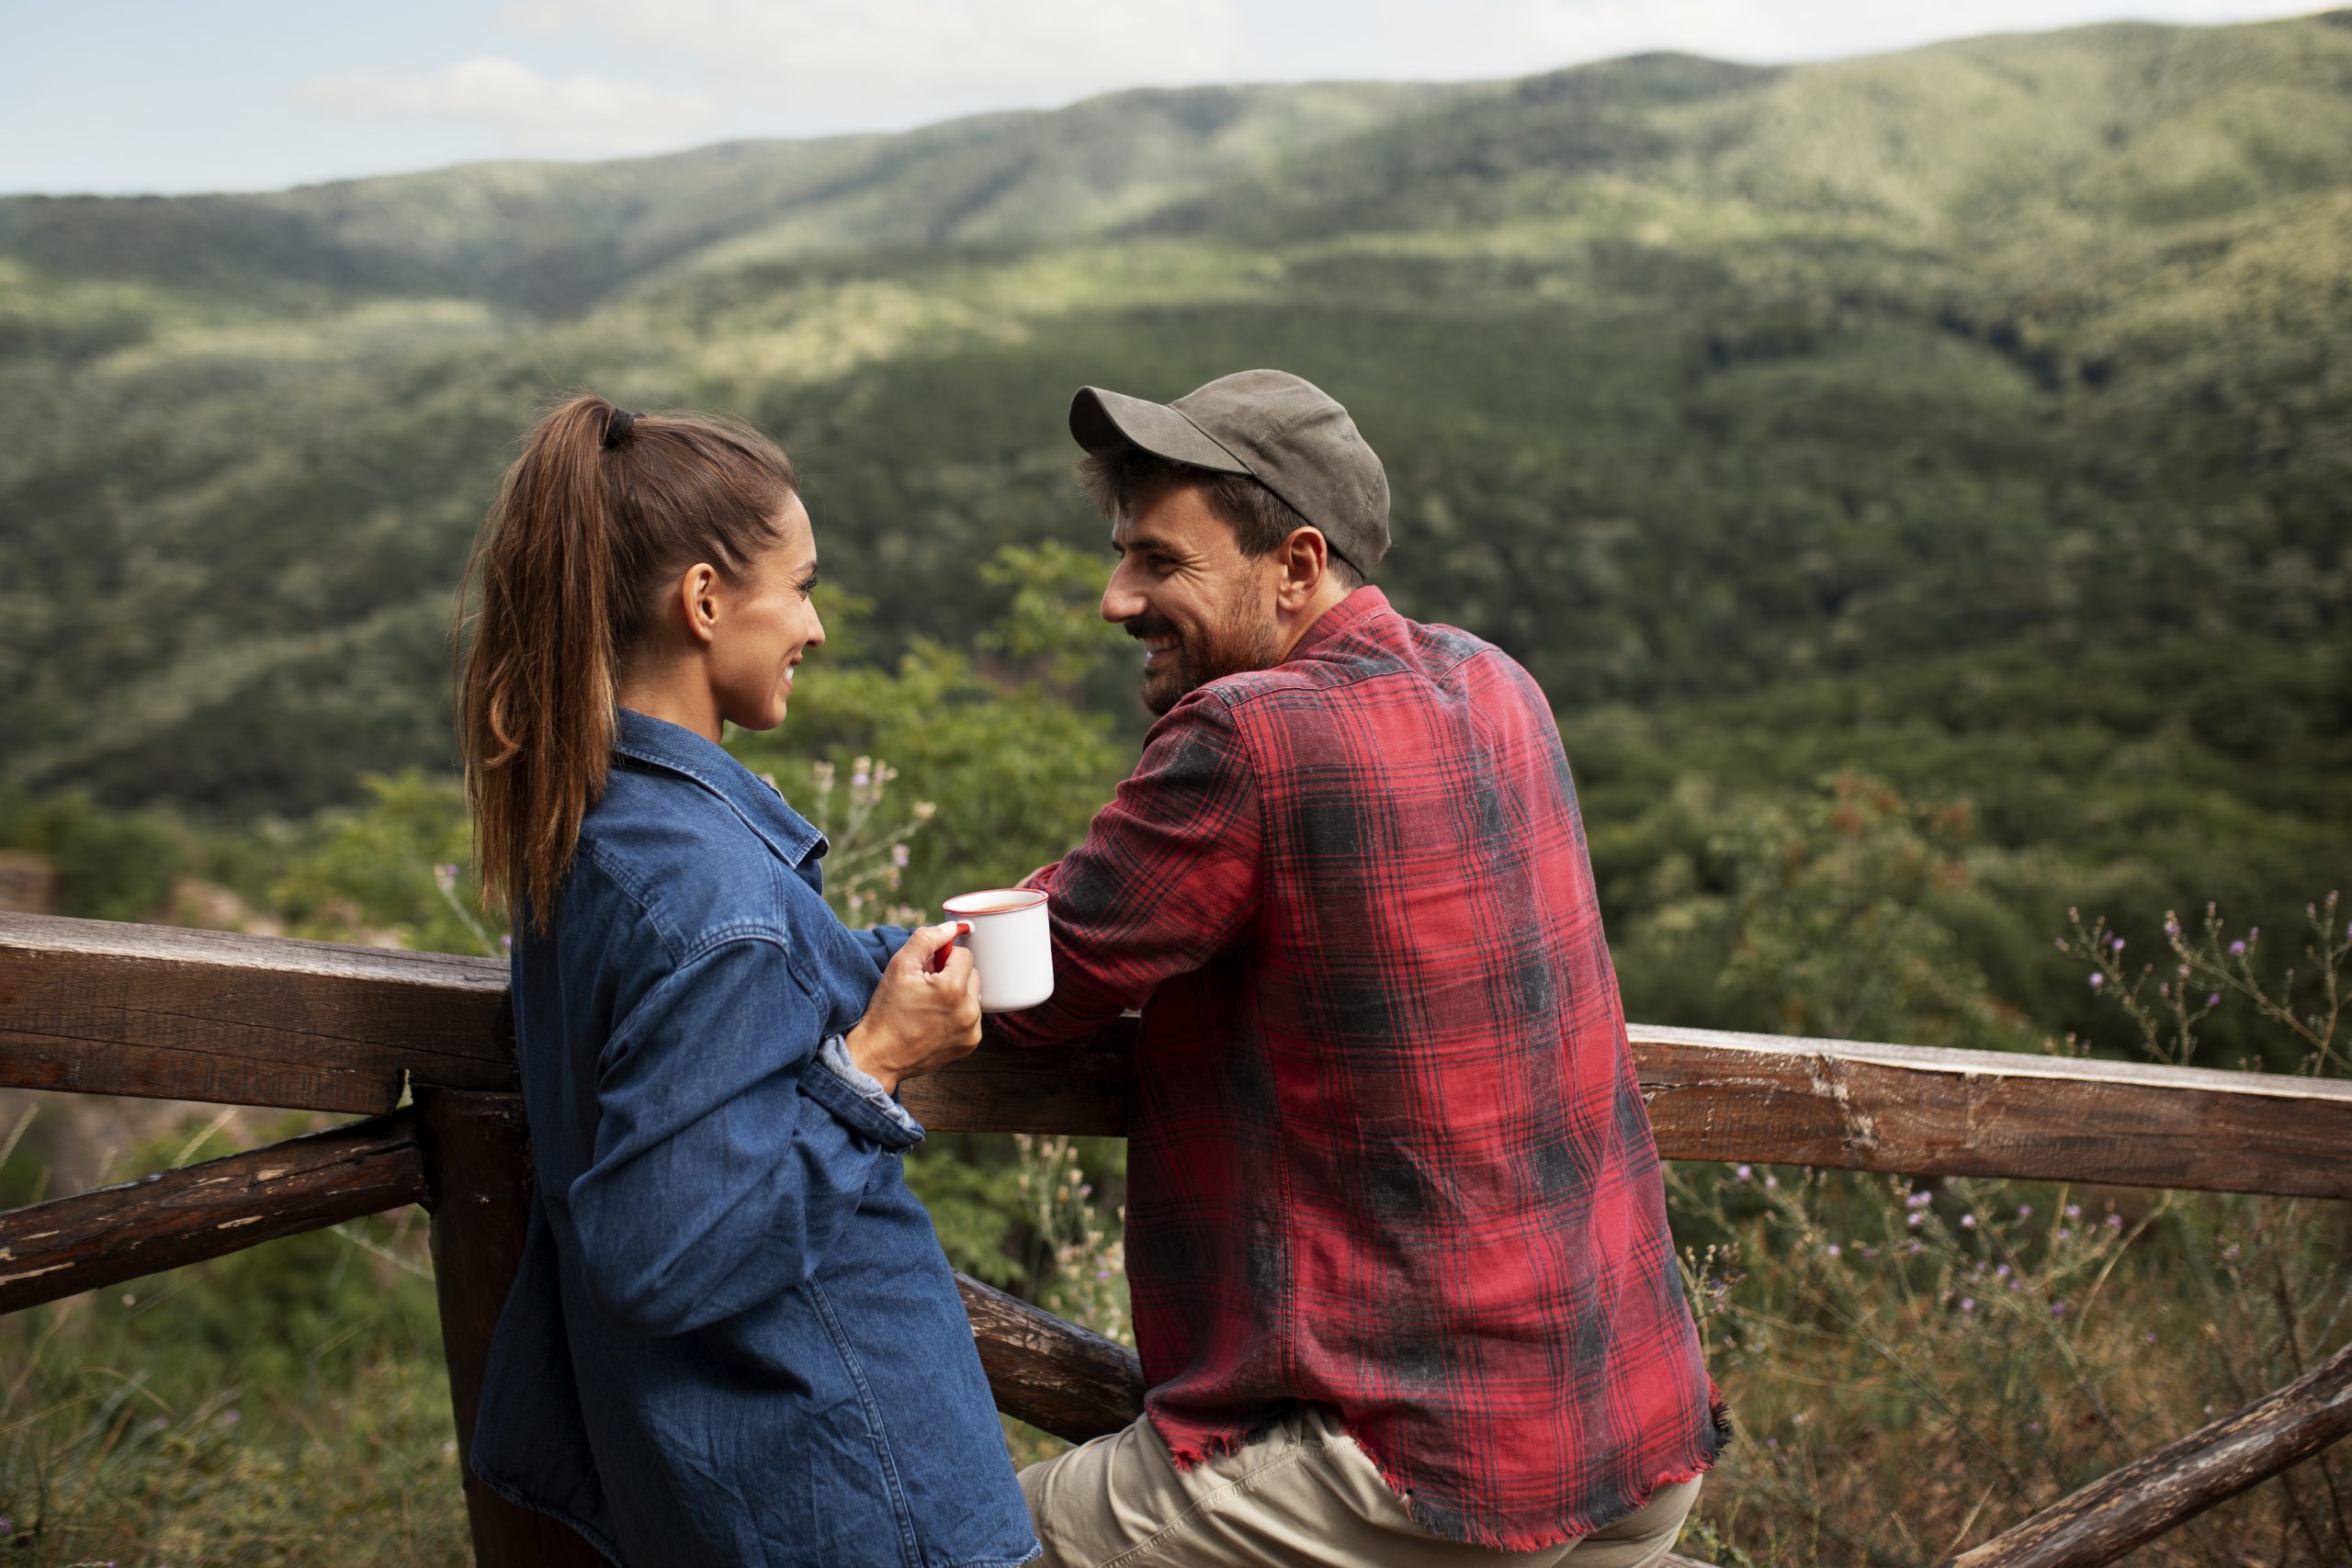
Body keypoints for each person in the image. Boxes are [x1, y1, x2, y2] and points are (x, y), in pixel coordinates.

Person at [993, 371, 1729, 1567]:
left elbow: (1032, 981)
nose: (1114, 595)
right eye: (1122, 552)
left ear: (1295, 564)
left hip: (1415, 1467)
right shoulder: (1499, 681)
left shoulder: (1248, 733)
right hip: (1633, 1432)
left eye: (1158, 562)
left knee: (937, 1537)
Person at [454, 394, 1039, 1568]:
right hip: (850, 1482)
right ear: (706, 599)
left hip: (722, 1477)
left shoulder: (596, 826)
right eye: (804, 586)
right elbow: (668, 1255)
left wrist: (879, 963)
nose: (814, 627)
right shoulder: (713, 896)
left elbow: (718, 1026)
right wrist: (874, 1062)